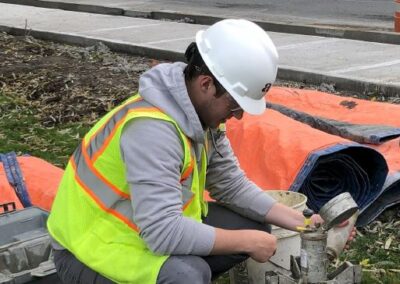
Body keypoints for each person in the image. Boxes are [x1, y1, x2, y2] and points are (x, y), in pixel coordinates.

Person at [47, 19, 339, 284]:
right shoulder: (151, 130)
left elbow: (231, 185)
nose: (237, 116)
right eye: (235, 105)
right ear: (206, 84)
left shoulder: (202, 119)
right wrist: (245, 242)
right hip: (89, 247)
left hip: (139, 227)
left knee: (256, 226)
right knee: (187, 274)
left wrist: (299, 222)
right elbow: (162, 232)